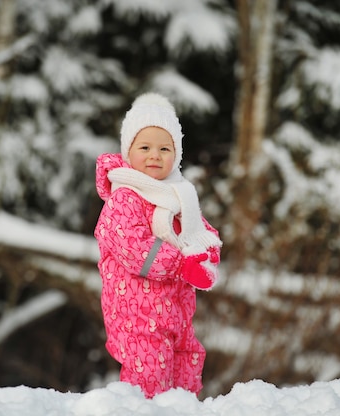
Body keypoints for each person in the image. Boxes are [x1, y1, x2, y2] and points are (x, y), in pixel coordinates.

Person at [94, 92, 222, 398]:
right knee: (149, 378)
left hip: (177, 313)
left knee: (187, 369)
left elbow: (200, 230)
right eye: (145, 147)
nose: (155, 155)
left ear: (176, 155)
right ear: (128, 151)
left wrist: (208, 253)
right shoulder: (123, 198)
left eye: (165, 148)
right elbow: (136, 249)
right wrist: (181, 264)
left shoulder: (178, 196)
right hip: (138, 316)